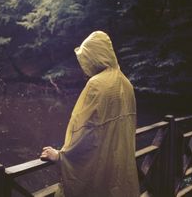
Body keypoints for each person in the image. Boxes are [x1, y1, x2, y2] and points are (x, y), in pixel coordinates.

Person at [40, 31, 140, 197]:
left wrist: (61, 157)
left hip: (100, 175)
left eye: (86, 60)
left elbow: (84, 131)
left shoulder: (97, 84)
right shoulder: (126, 83)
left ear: (95, 58)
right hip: (119, 170)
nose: (84, 66)